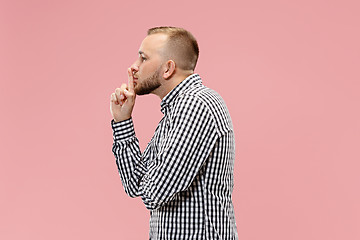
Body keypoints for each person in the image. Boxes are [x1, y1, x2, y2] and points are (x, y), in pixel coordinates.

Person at [110, 26, 238, 240]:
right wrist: (122, 121)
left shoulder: (195, 105)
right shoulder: (174, 112)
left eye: (143, 58)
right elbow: (134, 184)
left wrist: (150, 179)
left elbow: (154, 193)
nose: (133, 67)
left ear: (168, 68)